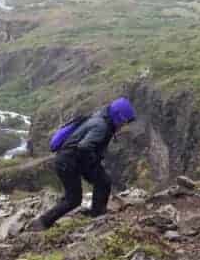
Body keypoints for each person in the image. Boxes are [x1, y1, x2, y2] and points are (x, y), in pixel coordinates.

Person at [31, 97, 137, 231]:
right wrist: (93, 164)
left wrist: (93, 165)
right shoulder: (102, 126)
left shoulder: (101, 119)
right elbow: (84, 147)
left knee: (103, 181)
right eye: (124, 121)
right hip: (69, 162)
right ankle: (42, 222)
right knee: (73, 199)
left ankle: (98, 214)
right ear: (118, 117)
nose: (124, 125)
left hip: (73, 160)